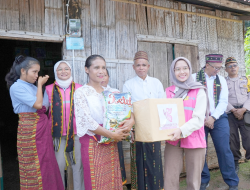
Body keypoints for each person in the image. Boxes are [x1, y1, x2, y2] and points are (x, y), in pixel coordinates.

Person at [74, 55, 135, 190]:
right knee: (97, 180)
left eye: (103, 67)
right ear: (86, 69)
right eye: (96, 67)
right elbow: (87, 121)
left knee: (111, 178)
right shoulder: (81, 92)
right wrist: (111, 134)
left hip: (111, 141)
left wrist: (131, 121)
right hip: (93, 140)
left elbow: (128, 111)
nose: (101, 71)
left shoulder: (111, 93)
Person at [5, 55, 64, 190]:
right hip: (29, 130)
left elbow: (45, 106)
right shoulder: (16, 87)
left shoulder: (32, 87)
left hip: (42, 128)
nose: (37, 75)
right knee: (34, 165)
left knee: (48, 162)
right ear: (23, 71)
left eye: (38, 72)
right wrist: (40, 86)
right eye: (34, 72)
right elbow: (38, 104)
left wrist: (38, 88)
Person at [192, 54, 239, 190]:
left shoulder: (221, 80)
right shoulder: (194, 77)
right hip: (199, 119)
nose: (218, 71)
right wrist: (204, 117)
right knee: (201, 151)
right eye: (216, 68)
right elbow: (191, 99)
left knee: (224, 149)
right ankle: (203, 180)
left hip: (218, 118)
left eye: (219, 68)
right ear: (207, 65)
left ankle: (232, 182)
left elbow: (223, 101)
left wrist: (213, 118)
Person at [164, 57, 208, 190]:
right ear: (173, 71)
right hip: (173, 139)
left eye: (185, 68)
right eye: (177, 69)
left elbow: (198, 119)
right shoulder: (168, 91)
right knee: (170, 178)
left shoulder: (199, 91)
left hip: (194, 139)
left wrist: (181, 130)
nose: (181, 72)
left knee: (194, 181)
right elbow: (162, 115)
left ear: (190, 70)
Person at [123, 51, 164, 190]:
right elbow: (127, 108)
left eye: (144, 65)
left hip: (153, 127)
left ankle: (156, 187)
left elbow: (162, 105)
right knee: (138, 159)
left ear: (149, 66)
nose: (141, 67)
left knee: (155, 158)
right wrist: (131, 129)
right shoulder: (128, 84)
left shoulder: (156, 83)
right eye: (138, 65)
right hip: (137, 127)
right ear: (133, 67)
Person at [43, 61, 84, 190]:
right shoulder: (49, 89)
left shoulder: (79, 88)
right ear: (55, 72)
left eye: (66, 69)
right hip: (57, 137)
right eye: (60, 69)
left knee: (77, 167)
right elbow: (43, 109)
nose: (63, 71)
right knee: (59, 166)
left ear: (71, 71)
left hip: (76, 134)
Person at [101, 68, 127, 185]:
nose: (102, 78)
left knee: (117, 158)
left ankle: (118, 184)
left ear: (109, 77)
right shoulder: (91, 93)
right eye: (100, 75)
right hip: (100, 131)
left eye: (105, 75)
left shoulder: (116, 92)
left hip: (115, 130)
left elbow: (123, 111)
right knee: (102, 160)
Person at [225, 57, 250, 174]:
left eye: (234, 65)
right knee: (232, 139)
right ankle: (235, 162)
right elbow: (222, 98)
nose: (232, 68)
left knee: (249, 138)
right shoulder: (223, 82)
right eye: (229, 66)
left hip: (246, 112)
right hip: (230, 113)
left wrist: (244, 109)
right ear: (226, 69)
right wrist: (233, 110)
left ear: (238, 67)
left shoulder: (246, 80)